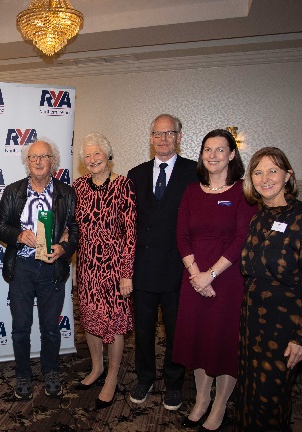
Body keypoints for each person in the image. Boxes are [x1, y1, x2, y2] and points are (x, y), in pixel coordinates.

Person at [234, 147, 302, 431]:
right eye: (258, 172)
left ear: (288, 176)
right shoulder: (259, 218)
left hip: (285, 325)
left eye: (273, 171)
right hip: (253, 321)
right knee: (248, 391)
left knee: (270, 398)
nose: (265, 178)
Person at [173, 129, 257, 431]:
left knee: (222, 342)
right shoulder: (192, 191)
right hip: (193, 278)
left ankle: (220, 405)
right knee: (197, 341)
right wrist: (196, 275)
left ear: (232, 155)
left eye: (220, 150)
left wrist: (210, 275)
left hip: (227, 279)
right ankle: (201, 400)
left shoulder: (243, 192)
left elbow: (241, 240)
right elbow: (182, 235)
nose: (212, 155)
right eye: (207, 149)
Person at [0, 138, 79, 400]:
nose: (39, 162)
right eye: (33, 157)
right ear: (27, 162)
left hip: (52, 268)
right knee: (21, 326)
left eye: (44, 157)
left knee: (51, 327)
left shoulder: (66, 193)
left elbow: (76, 230)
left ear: (53, 161)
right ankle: (23, 374)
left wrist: (64, 249)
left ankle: (51, 371)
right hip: (22, 266)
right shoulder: (13, 192)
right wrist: (19, 235)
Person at [126, 114, 198, 410]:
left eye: (169, 133)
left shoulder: (195, 172)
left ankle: (174, 383)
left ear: (179, 137)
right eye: (158, 133)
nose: (163, 139)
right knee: (142, 330)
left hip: (177, 267)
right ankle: (144, 378)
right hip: (142, 267)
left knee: (175, 331)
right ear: (151, 137)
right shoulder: (135, 174)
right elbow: (127, 225)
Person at [71, 133, 136, 410]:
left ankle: (111, 377)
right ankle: (97, 368)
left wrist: (126, 273)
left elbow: (131, 233)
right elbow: (71, 227)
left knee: (115, 322)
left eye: (97, 153)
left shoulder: (123, 185)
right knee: (91, 319)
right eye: (87, 155)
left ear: (108, 155)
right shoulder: (78, 186)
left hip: (114, 268)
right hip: (87, 266)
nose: (93, 159)